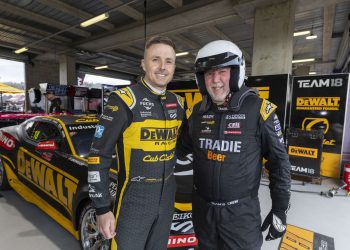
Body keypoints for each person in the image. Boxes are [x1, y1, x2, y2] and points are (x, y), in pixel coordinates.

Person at [176, 40, 291, 250]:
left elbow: (280, 165)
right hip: (203, 212)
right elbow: (176, 150)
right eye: (209, 73)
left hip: (241, 216)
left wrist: (280, 209)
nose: (215, 80)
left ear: (237, 73)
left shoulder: (260, 111)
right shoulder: (195, 113)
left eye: (222, 72)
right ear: (201, 79)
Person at [88, 35, 184, 249]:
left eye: (168, 61)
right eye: (155, 59)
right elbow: (97, 155)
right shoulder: (123, 100)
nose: (162, 67)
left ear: (174, 66)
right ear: (143, 64)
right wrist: (102, 208)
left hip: (167, 197)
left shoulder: (177, 103)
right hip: (134, 199)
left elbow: (184, 146)